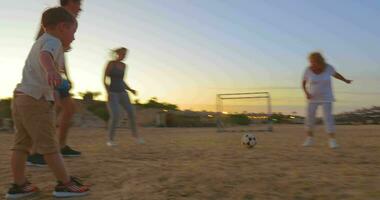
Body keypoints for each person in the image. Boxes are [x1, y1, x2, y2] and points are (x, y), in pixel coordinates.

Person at [6, 7, 89, 199]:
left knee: (21, 145)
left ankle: (19, 186)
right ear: (62, 27)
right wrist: (52, 70)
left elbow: (43, 56)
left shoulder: (41, 41)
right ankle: (65, 184)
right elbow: (46, 57)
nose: (74, 38)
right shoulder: (53, 42)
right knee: (50, 145)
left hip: (21, 97)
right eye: (73, 32)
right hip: (36, 100)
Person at [28, 0, 83, 166]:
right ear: (70, 2)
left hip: (57, 71)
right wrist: (51, 71)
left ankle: (60, 145)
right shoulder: (55, 18)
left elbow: (59, 51)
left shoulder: (67, 22)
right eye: (78, 4)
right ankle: (36, 152)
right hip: (47, 73)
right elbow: (44, 46)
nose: (80, 8)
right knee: (51, 108)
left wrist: (65, 74)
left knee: (68, 108)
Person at [302, 52, 352, 149]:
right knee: (309, 118)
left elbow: (336, 75)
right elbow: (303, 83)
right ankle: (309, 139)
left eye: (313, 61)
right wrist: (306, 93)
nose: (312, 63)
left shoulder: (328, 68)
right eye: (310, 61)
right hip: (313, 98)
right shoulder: (308, 70)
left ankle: (332, 140)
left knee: (328, 118)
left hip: (326, 97)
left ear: (319, 61)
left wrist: (345, 80)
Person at [103, 47, 144, 146]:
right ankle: (110, 140)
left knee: (132, 113)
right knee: (116, 115)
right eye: (123, 54)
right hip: (113, 93)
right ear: (117, 54)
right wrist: (108, 92)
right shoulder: (111, 64)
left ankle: (136, 137)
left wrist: (130, 90)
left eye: (126, 55)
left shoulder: (124, 66)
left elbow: (122, 81)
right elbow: (104, 79)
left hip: (123, 93)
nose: (124, 56)